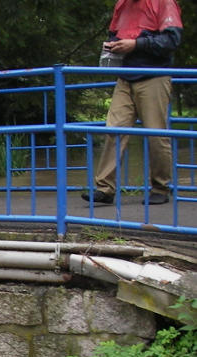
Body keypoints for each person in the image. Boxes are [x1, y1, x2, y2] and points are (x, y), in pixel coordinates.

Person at [82, 0, 182, 207]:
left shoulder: (163, 2)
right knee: (114, 130)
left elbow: (172, 40)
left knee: (156, 133)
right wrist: (113, 45)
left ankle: (160, 187)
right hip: (125, 76)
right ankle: (105, 188)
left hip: (154, 75)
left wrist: (136, 44)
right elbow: (114, 34)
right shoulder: (122, 4)